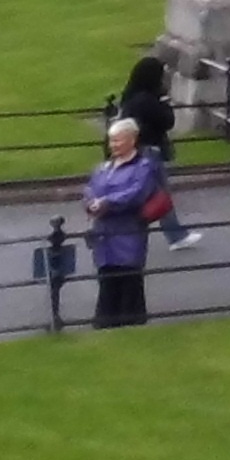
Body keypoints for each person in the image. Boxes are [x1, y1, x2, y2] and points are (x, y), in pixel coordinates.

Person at [106, 53, 193, 246]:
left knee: (148, 194)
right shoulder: (147, 100)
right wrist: (164, 101)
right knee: (159, 194)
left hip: (137, 150)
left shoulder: (131, 97)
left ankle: (172, 235)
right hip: (149, 151)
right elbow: (167, 121)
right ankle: (175, 236)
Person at [84, 118, 164, 327]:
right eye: (111, 141)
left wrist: (107, 202)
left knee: (129, 279)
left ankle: (129, 322)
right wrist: (91, 203)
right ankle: (106, 322)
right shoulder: (103, 167)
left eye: (118, 141)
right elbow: (90, 189)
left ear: (132, 139)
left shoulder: (144, 166)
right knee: (106, 279)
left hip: (128, 231)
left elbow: (137, 193)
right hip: (104, 232)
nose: (113, 145)